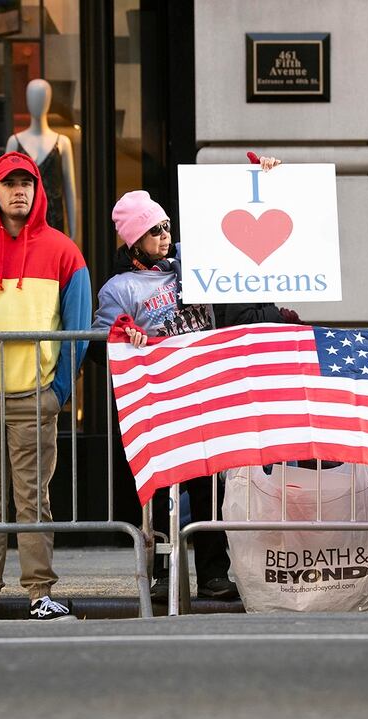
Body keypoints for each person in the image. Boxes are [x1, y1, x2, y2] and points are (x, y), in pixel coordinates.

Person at [0, 151, 91, 621]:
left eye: (26, 182)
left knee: (33, 500)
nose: (19, 190)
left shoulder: (65, 252)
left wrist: (59, 391)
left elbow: (78, 329)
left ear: (37, 189)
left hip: (33, 395)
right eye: (9, 184)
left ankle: (39, 593)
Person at [93, 187, 251, 600]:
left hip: (203, 389)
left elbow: (226, 224)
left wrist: (258, 180)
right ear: (133, 242)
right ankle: (161, 573)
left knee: (208, 486)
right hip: (158, 399)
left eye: (166, 227)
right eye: (153, 230)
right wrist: (121, 330)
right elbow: (97, 342)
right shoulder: (119, 288)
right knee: (159, 488)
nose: (165, 236)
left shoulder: (191, 265)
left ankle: (215, 574)